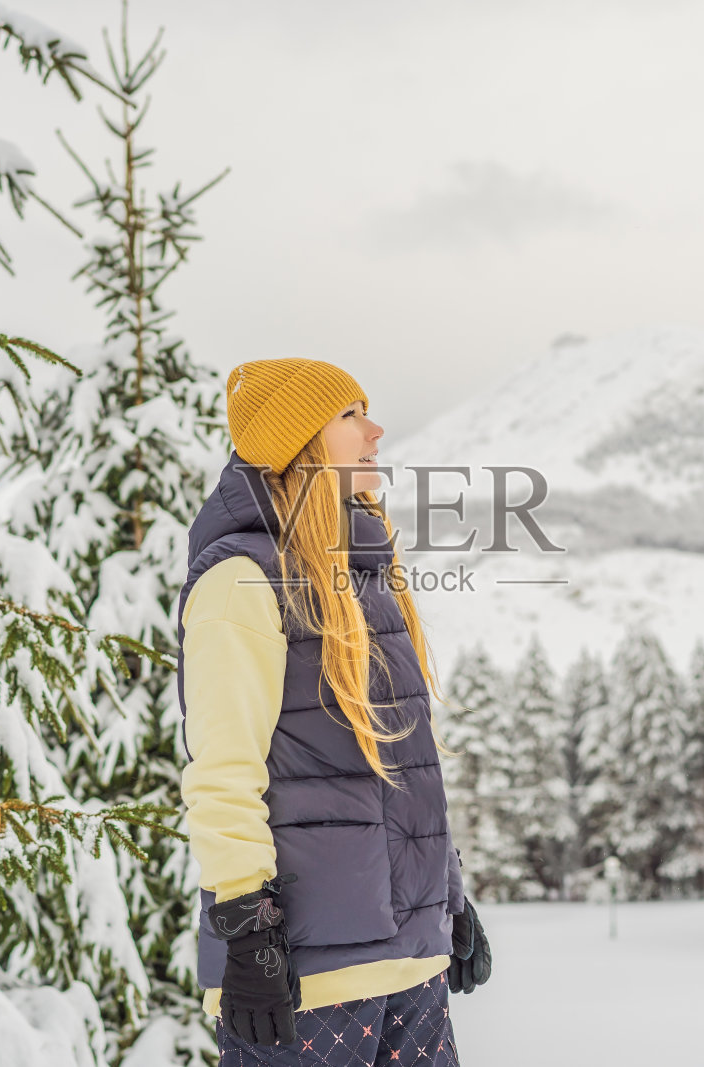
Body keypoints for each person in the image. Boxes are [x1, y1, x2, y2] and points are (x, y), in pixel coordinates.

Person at [177, 358, 493, 1066]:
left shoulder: (364, 579)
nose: (376, 430)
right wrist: (247, 930)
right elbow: (223, 773)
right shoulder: (242, 581)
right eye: (351, 415)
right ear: (300, 443)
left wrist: (447, 894)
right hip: (306, 975)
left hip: (410, 967)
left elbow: (405, 766)